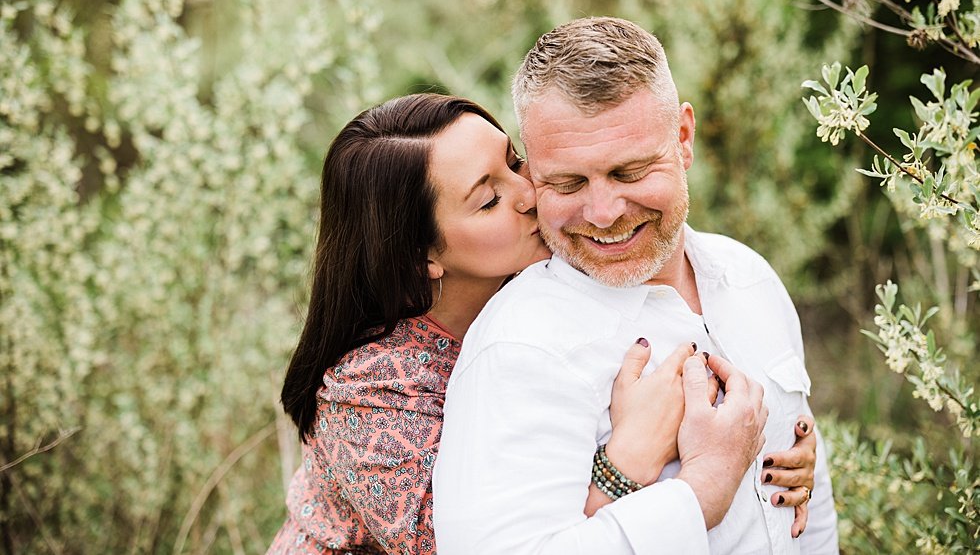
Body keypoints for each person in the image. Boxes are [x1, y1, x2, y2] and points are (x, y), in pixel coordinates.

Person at [267, 93, 819, 554]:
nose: (530, 194)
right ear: (421, 257)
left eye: (514, 161)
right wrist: (629, 457)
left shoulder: (554, 288)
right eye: (489, 200)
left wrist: (767, 453)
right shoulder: (371, 396)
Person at [433, 17, 839, 554]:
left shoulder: (748, 276)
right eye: (568, 182)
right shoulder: (520, 350)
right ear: (533, 175)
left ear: (684, 139)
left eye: (629, 172)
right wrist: (701, 490)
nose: (603, 214)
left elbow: (811, 513)